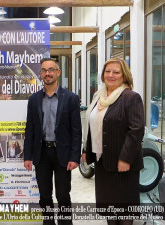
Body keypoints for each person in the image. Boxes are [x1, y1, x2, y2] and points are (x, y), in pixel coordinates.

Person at [82, 58, 144, 225]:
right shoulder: (98, 96)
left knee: (124, 211)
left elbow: (136, 131)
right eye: (107, 71)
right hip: (103, 162)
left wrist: (125, 159)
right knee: (109, 209)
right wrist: (86, 150)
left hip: (122, 164)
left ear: (124, 76)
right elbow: (92, 124)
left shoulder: (131, 97)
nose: (111, 75)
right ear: (102, 75)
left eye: (116, 72)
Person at [24, 58, 82, 225]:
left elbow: (76, 131)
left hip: (62, 153)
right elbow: (30, 129)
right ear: (40, 73)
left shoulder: (70, 98)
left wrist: (74, 157)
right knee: (44, 195)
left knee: (63, 195)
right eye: (44, 70)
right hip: (41, 153)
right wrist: (27, 156)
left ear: (58, 72)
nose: (47, 73)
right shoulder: (34, 99)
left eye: (51, 70)